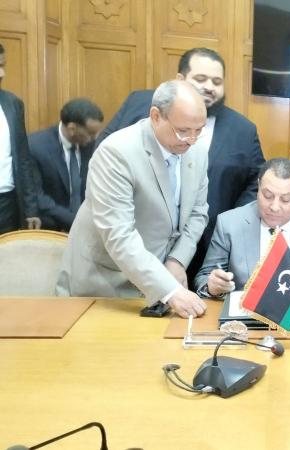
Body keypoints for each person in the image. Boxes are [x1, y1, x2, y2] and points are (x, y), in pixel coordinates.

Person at [95, 47, 265, 285]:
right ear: (180, 79)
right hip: (126, 253)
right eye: (201, 78)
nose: (209, 86)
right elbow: (105, 155)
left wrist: (229, 223)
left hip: (201, 247)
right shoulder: (139, 105)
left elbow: (255, 182)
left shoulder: (242, 129)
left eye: (217, 81)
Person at [56, 80, 210, 319]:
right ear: (156, 116)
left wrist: (177, 261)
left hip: (158, 281)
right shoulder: (116, 153)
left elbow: (198, 213)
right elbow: (119, 235)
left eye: (199, 130)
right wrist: (170, 290)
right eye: (183, 130)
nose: (191, 139)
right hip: (105, 284)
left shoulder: (196, 151)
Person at [195, 158, 290, 298]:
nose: (274, 207)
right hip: (244, 312)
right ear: (259, 187)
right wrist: (213, 286)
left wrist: (289, 278)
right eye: (267, 196)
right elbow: (203, 278)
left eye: (285, 199)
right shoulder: (229, 223)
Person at [28, 98, 104, 231]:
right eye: (91, 133)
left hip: (90, 225)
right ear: (72, 129)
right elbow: (38, 197)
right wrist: (76, 222)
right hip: (53, 226)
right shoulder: (35, 146)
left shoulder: (93, 146)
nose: (95, 137)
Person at [0, 43, 40, 233]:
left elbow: (23, 159)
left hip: (7, 202)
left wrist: (31, 208)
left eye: (3, 66)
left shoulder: (13, 104)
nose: (2, 73)